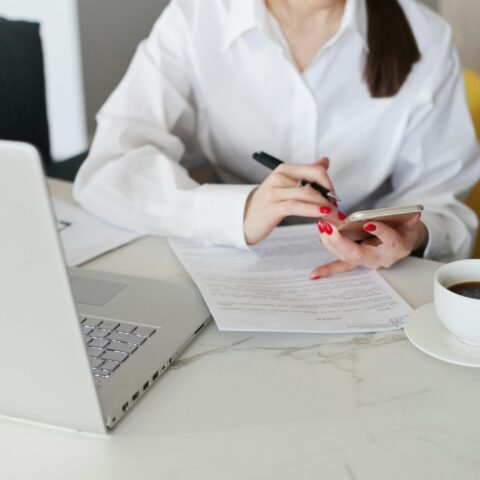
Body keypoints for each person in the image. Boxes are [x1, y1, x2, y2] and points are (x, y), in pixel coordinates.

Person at [73, 0, 480, 279]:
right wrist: (237, 211)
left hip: (369, 281)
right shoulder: (197, 18)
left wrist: (415, 236)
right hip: (227, 269)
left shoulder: (426, 37)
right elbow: (110, 168)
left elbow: (445, 204)